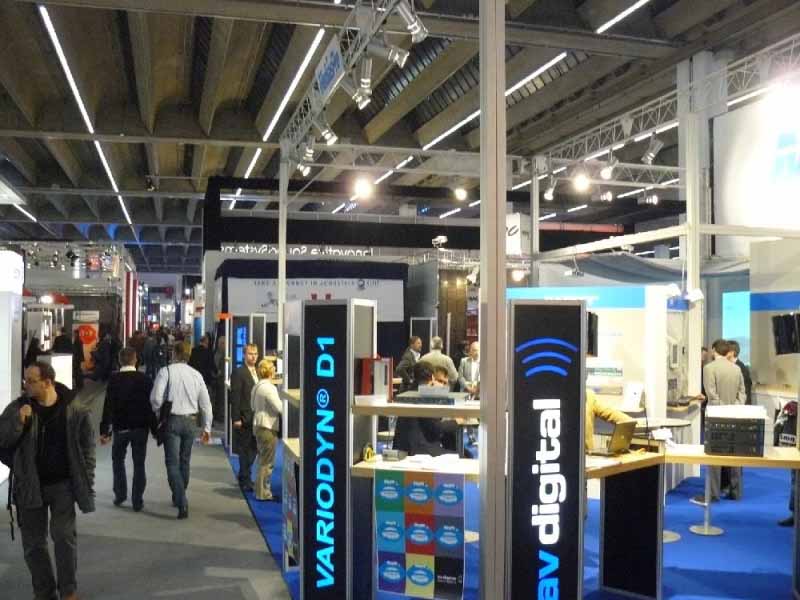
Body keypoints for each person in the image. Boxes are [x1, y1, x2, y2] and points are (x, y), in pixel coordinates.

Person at [0, 361, 96, 600]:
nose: (26, 385)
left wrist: (87, 478)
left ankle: (68, 591)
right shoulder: (18, 408)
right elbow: (2, 440)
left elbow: (87, 446)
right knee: (33, 544)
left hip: (63, 485)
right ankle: (44, 592)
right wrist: (19, 422)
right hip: (30, 485)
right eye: (25, 380)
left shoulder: (74, 408)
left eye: (31, 381)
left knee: (64, 537)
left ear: (48, 382)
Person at [150, 341, 212, 519]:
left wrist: (158, 412)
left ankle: (181, 500)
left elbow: (156, 398)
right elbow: (206, 404)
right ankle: (180, 494)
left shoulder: (166, 372)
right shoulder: (196, 375)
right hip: (191, 421)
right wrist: (207, 428)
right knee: (185, 461)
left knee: (172, 463)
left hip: (172, 420)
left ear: (174, 353)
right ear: (188, 354)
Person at [100, 346, 155, 511]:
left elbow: (108, 406)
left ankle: (120, 494)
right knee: (139, 464)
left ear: (119, 361)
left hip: (120, 428)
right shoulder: (145, 380)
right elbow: (150, 408)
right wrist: (155, 429)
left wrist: (105, 430)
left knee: (118, 461)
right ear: (135, 360)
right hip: (140, 428)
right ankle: (137, 500)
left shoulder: (114, 380)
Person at [694, 339, 747, 504]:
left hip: (716, 417)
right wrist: (734, 408)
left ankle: (713, 493)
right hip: (735, 415)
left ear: (714, 350)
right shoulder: (736, 368)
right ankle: (735, 491)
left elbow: (711, 394)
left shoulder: (709, 368)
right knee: (735, 454)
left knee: (714, 455)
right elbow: (742, 393)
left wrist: (722, 409)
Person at [393, 361, 459, 456]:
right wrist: (457, 421)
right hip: (420, 450)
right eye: (440, 381)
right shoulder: (425, 396)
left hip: (401, 448)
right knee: (463, 456)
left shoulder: (409, 392)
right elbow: (436, 428)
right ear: (432, 378)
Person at [250, 358, 282, 501]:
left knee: (262, 459)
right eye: (273, 369)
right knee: (267, 462)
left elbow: (252, 406)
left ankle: (259, 490)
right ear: (270, 371)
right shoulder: (269, 388)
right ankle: (263, 493)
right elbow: (279, 408)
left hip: (258, 425)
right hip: (267, 427)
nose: (275, 371)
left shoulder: (256, 386)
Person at [230, 343, 259, 492]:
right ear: (244, 355)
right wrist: (235, 418)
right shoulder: (238, 372)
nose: (253, 356)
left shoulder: (258, 372)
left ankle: (244, 477)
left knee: (253, 450)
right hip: (243, 418)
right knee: (245, 450)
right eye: (250, 354)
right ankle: (245, 480)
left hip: (256, 417)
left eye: (255, 354)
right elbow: (234, 397)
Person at [729, 340, 752, 405]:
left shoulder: (740, 368)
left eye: (725, 351)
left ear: (732, 353)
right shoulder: (734, 366)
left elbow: (745, 392)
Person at [213, 335, 227, 424]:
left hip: (222, 379)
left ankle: (221, 416)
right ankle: (218, 415)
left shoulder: (225, 354)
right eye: (220, 343)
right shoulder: (216, 353)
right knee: (218, 399)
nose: (220, 345)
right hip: (217, 379)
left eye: (222, 343)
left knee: (221, 399)